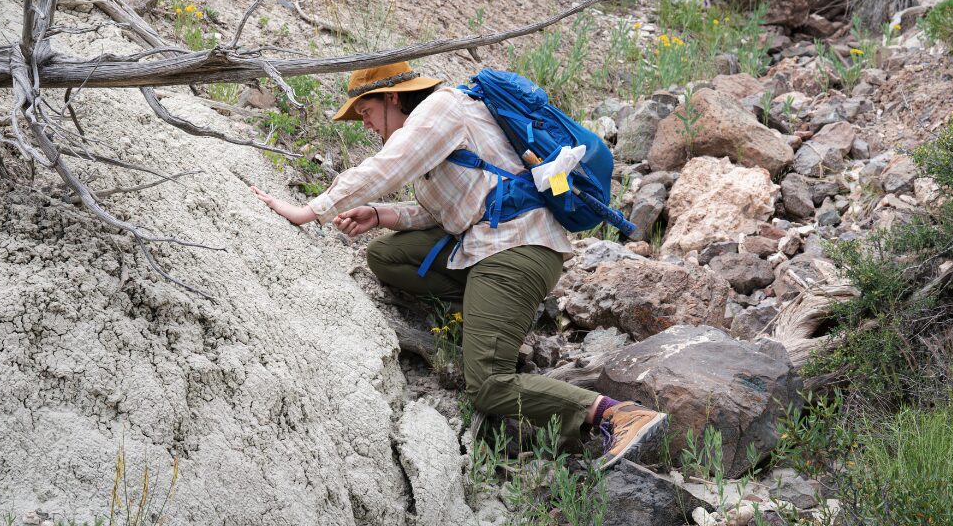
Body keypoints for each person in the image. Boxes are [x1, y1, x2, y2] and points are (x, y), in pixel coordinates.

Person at [250, 61, 667, 469]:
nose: (365, 124)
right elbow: (453, 211)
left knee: (489, 385)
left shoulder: (441, 108)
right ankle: (486, 324)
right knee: (385, 255)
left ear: (393, 97)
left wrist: (309, 210)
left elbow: (386, 168)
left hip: (517, 249)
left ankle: (614, 414)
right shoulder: (439, 129)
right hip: (486, 243)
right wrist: (381, 215)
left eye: (366, 111)